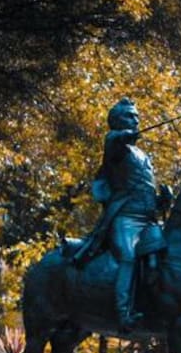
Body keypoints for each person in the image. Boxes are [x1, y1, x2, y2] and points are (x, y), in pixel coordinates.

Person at [71, 98, 169, 332]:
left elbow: (146, 191)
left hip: (148, 220)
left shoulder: (143, 156)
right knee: (128, 257)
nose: (135, 120)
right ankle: (124, 314)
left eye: (136, 116)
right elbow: (117, 140)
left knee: (164, 258)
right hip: (125, 218)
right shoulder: (114, 143)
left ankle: (160, 311)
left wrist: (163, 200)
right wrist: (126, 135)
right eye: (129, 116)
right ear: (116, 121)